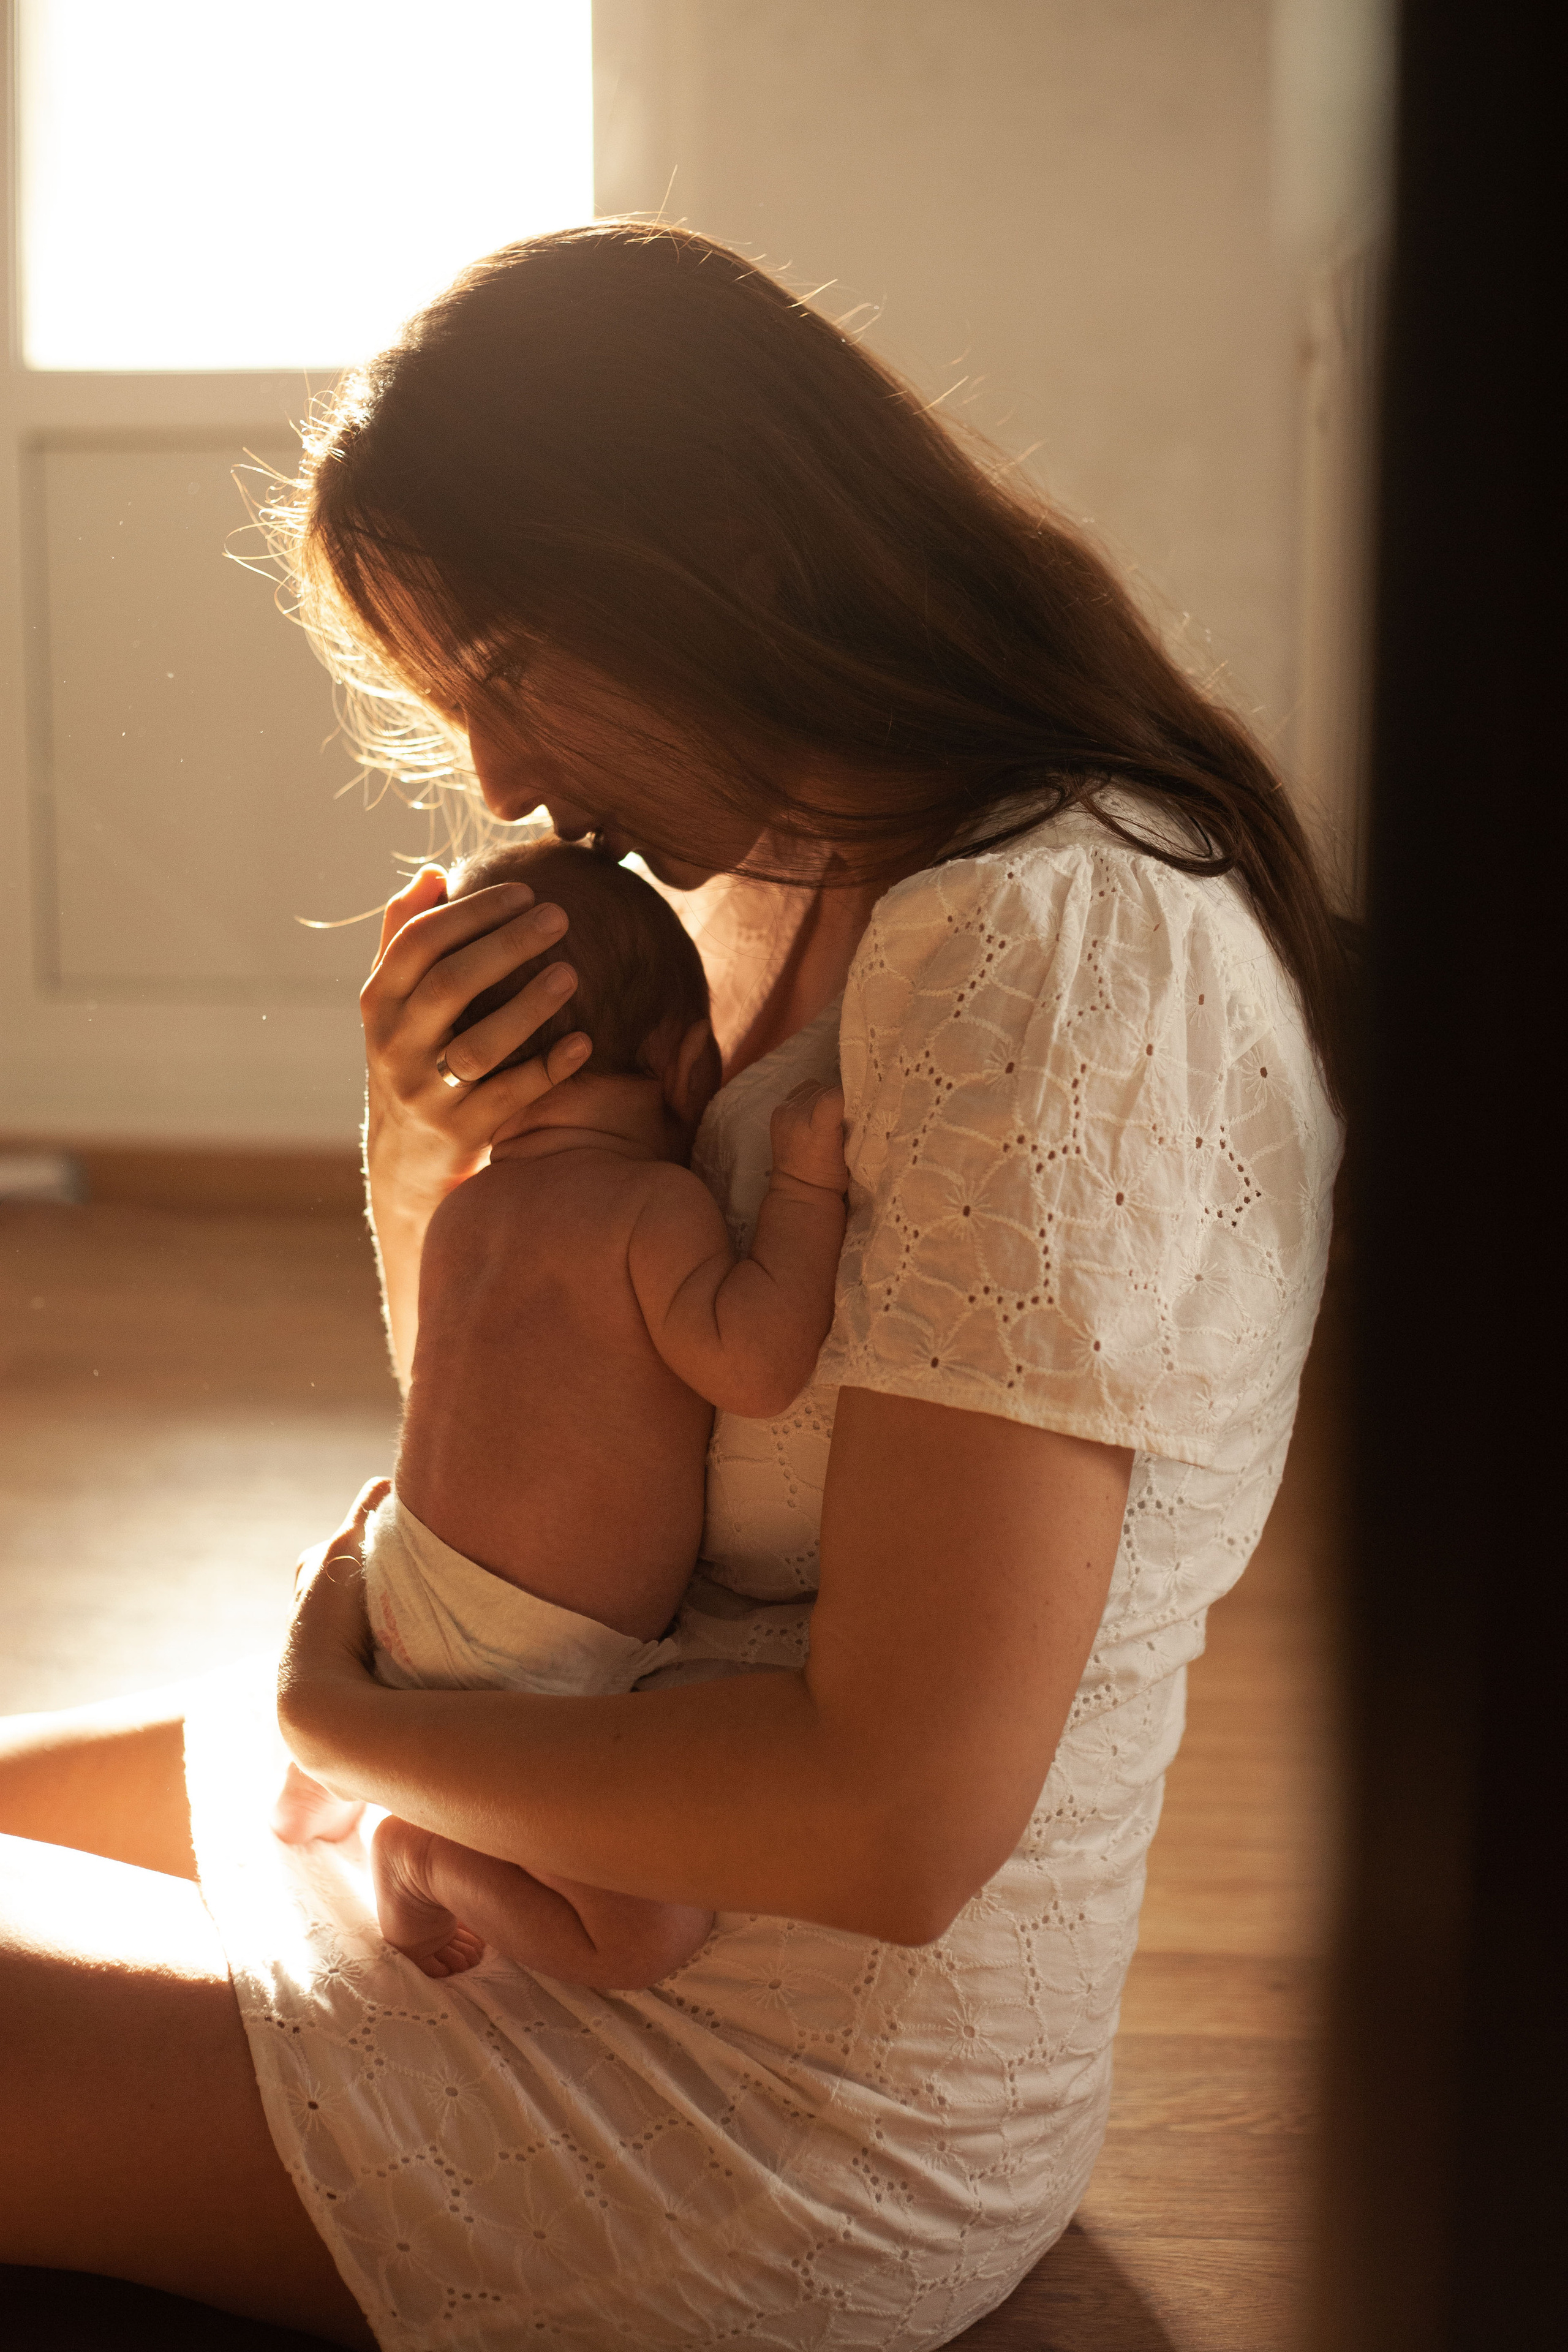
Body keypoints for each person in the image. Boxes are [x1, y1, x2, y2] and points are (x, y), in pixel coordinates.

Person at [0, 224, 1344, 2350]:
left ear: (730, 542)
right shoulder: (774, 884)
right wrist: (447, 1139)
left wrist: (341, 1719)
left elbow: (895, 1825)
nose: (502, 781)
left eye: (508, 667)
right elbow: (565, 1477)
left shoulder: (1049, 948)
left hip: (752, 2099)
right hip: (537, 1815)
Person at [273, 836, 851, 1992]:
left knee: (380, 1606)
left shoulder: (465, 1215)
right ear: (688, 1064)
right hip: (532, 1663)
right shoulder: (654, 1206)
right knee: (643, 1937)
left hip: (401, 1587)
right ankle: (422, 1853)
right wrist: (804, 1186)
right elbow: (754, 1368)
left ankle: (316, 1791)